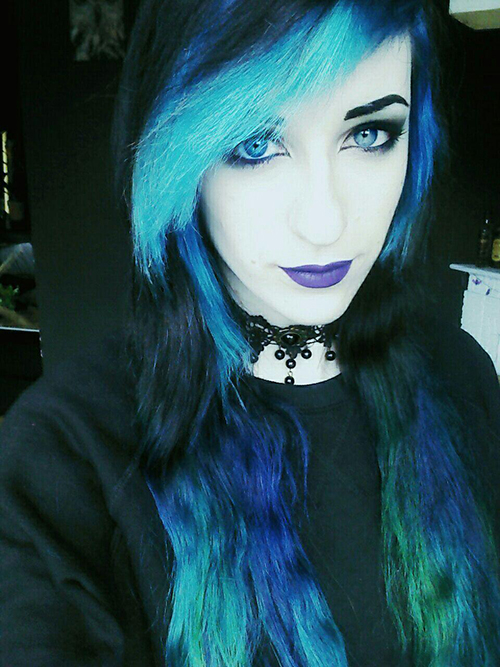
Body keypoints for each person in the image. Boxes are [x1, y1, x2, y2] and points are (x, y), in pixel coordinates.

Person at [1, 0, 500, 665]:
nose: (324, 223)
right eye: (255, 144)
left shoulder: (461, 373)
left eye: (369, 134)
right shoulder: (62, 458)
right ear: (176, 156)